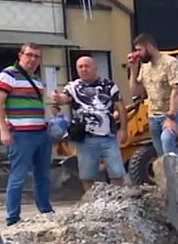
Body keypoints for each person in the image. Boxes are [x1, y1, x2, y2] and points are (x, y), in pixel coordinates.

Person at [0, 43, 54, 226]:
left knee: (42, 175)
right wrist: (3, 129)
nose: (33, 59)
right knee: (18, 176)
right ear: (20, 55)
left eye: (37, 56)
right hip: (21, 134)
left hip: (41, 133)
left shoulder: (35, 79)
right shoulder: (8, 75)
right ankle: (12, 217)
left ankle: (45, 210)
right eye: (29, 55)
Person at [53, 55, 128, 192]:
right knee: (87, 175)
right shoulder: (73, 86)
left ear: (95, 68)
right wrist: (58, 98)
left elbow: (121, 107)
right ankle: (91, 202)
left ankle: (116, 198)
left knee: (117, 172)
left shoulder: (108, 85)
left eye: (87, 66)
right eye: (80, 67)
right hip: (86, 138)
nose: (83, 69)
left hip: (108, 137)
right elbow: (64, 98)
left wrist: (123, 129)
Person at [128, 33, 178, 158]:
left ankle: (176, 174)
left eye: (139, 50)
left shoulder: (171, 63)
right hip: (153, 117)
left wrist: (171, 117)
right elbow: (136, 92)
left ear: (149, 46)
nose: (137, 53)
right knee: (161, 154)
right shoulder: (145, 67)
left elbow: (177, 91)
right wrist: (133, 70)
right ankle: (167, 175)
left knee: (167, 140)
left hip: (172, 114)